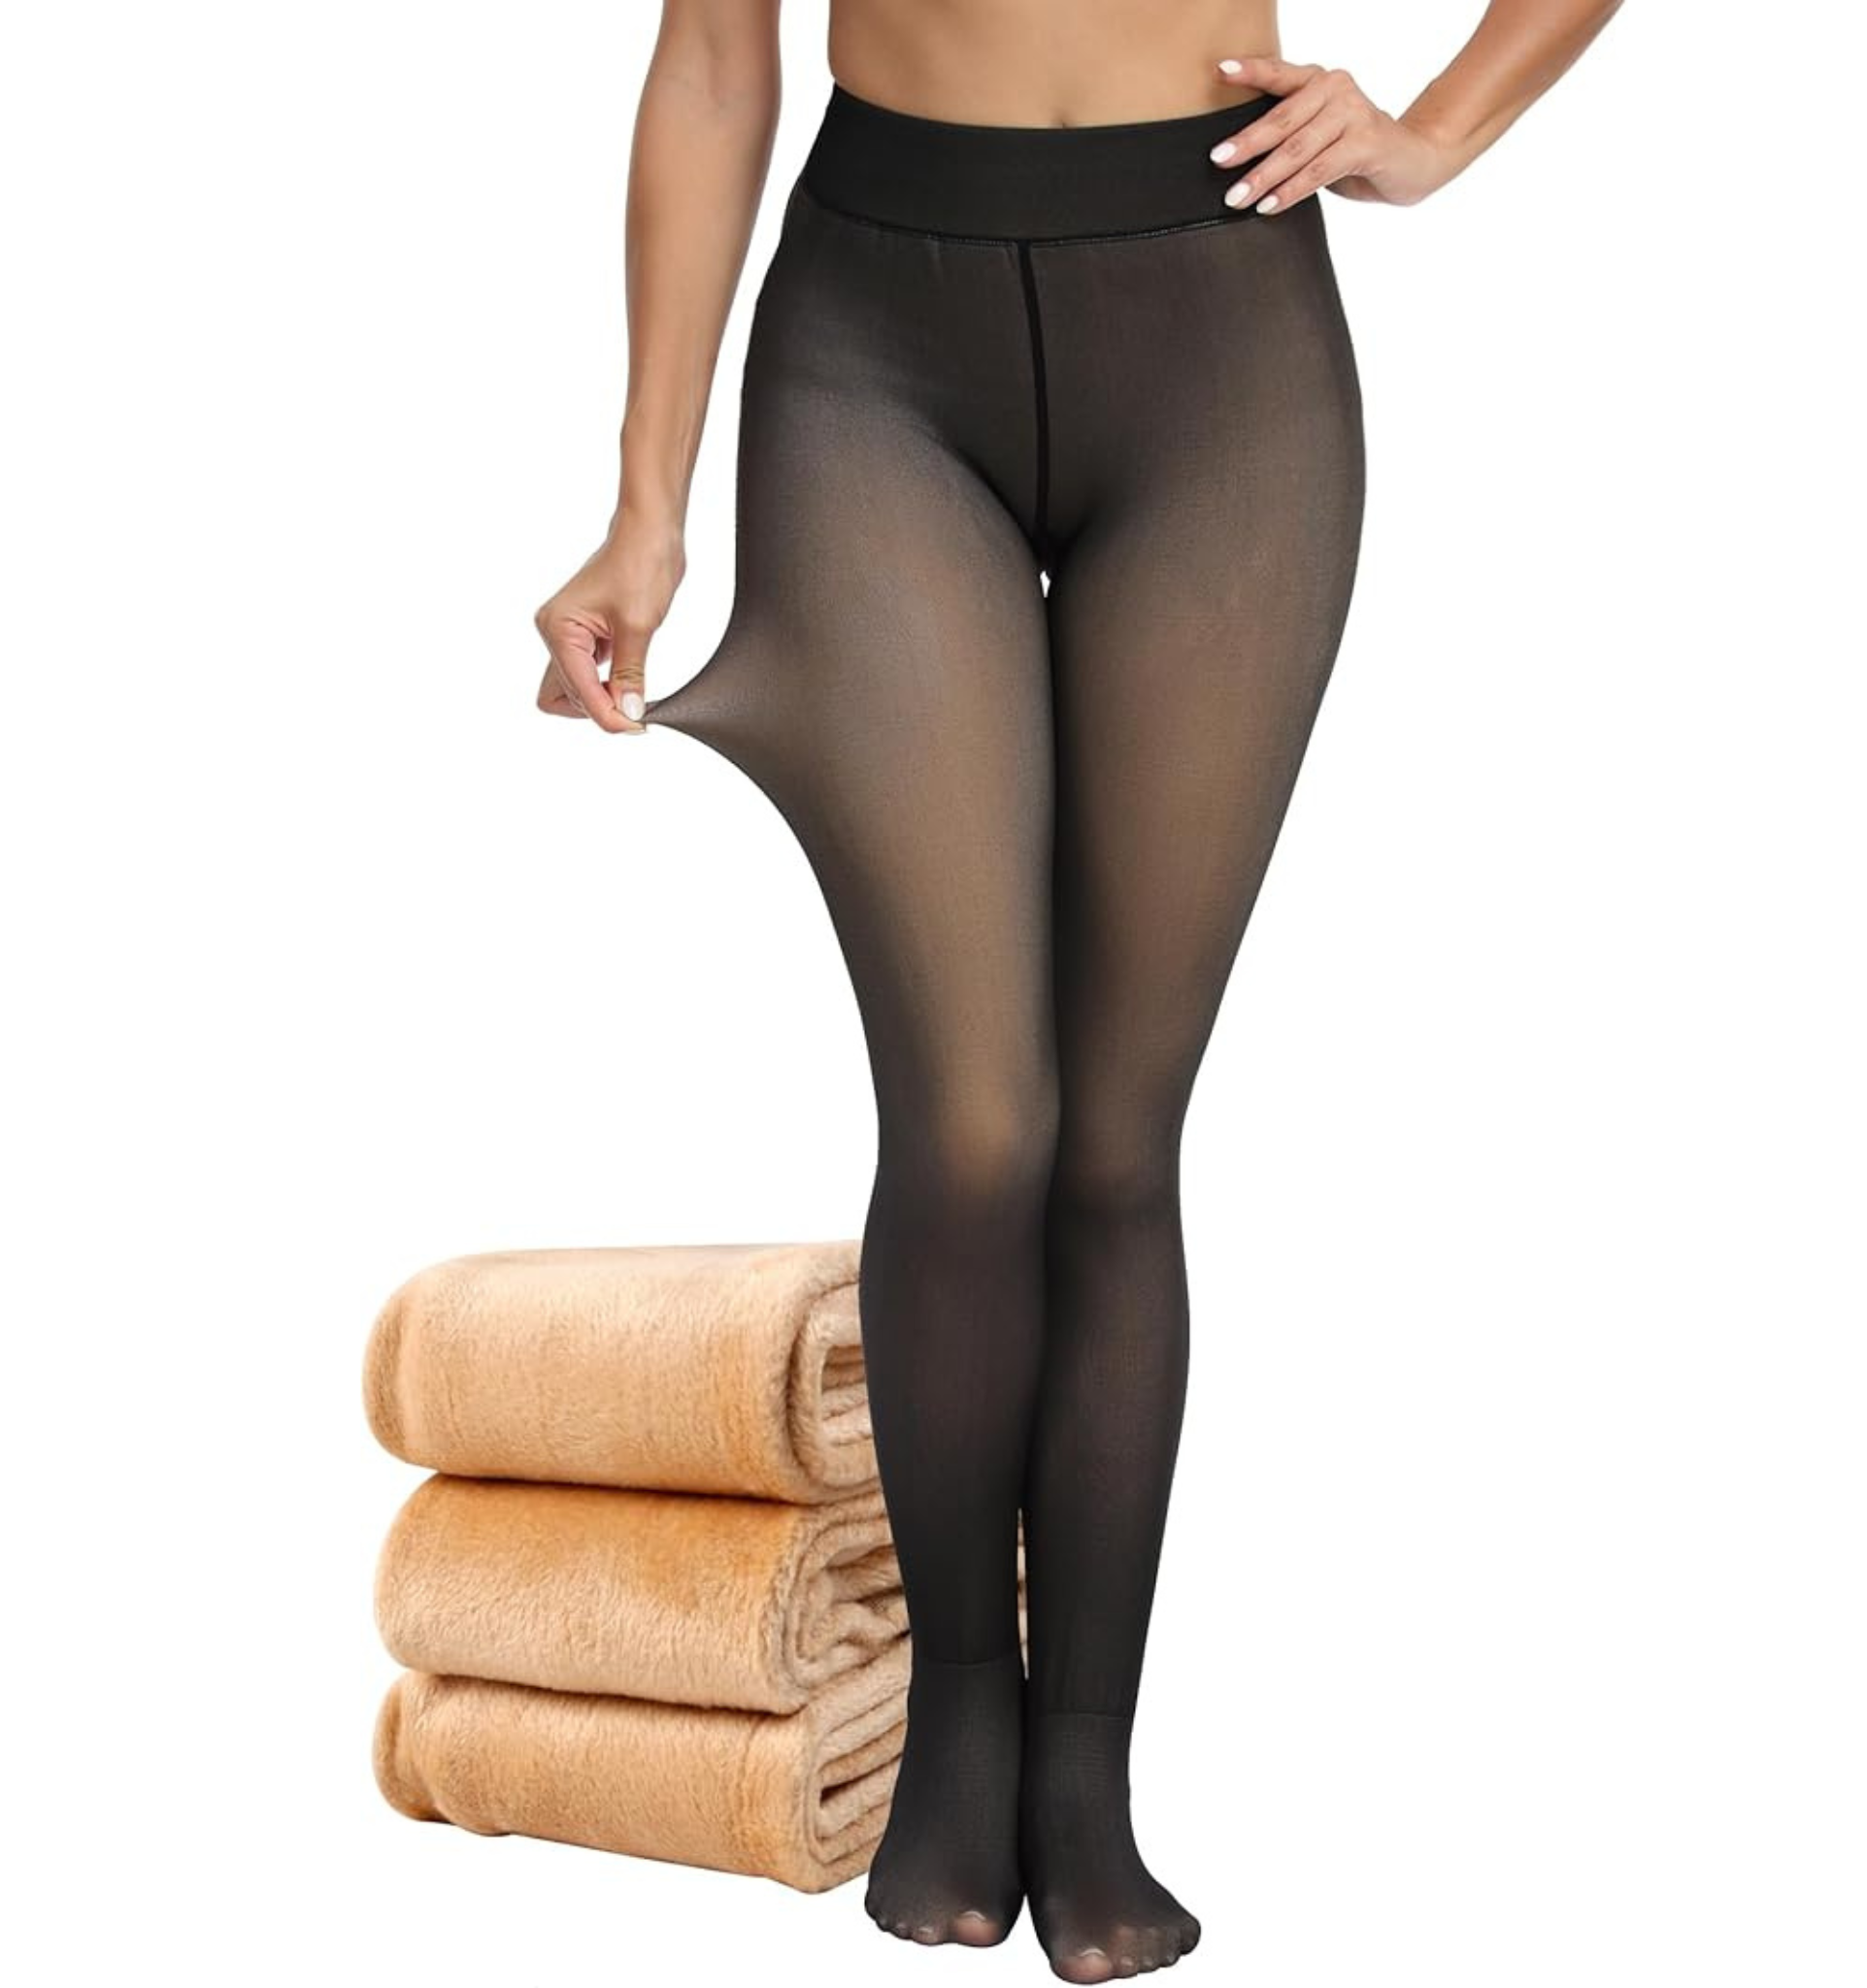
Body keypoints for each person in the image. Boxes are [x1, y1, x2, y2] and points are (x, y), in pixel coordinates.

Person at [533, 2, 1624, 1977]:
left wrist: (1440, 131)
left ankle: (1086, 1780)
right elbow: (711, 58)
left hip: (1224, 349)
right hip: (872, 350)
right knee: (975, 1128)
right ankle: (960, 1714)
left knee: (1116, 1143)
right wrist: (645, 504)